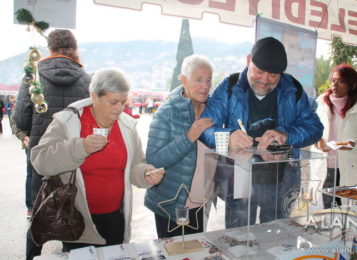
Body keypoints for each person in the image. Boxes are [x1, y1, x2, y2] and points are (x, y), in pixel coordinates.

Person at [31, 68, 165, 250]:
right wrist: (80, 147)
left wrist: (145, 173)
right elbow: (40, 160)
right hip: (76, 219)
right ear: (94, 96)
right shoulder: (70, 121)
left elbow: (135, 165)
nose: (120, 108)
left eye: (123, 102)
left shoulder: (127, 126)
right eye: (113, 102)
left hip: (115, 217)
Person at [200, 37, 323, 228]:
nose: (265, 80)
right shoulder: (230, 87)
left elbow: (315, 127)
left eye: (273, 75)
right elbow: (205, 127)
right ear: (249, 60)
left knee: (275, 239)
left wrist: (286, 134)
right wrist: (228, 135)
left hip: (281, 179)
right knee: (238, 237)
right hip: (239, 178)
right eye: (259, 71)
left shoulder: (292, 89)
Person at [12, 29, 91, 260]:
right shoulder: (87, 79)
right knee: (72, 211)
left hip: (42, 157)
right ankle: (69, 254)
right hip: (75, 157)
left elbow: (21, 119)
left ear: (50, 49)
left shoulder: (33, 77)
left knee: (39, 213)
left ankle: (32, 255)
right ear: (74, 49)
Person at [144, 54, 214, 238]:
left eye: (208, 80)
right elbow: (153, 160)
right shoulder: (166, 112)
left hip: (200, 203)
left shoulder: (215, 110)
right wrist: (189, 137)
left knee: (196, 253)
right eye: (198, 79)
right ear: (183, 80)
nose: (205, 86)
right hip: (170, 204)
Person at [314, 64, 357, 209]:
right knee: (329, 211)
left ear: (352, 85)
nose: (334, 84)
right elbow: (314, 131)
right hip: (327, 169)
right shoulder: (322, 105)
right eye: (333, 80)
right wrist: (317, 141)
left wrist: (354, 145)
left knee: (350, 211)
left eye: (341, 81)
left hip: (352, 168)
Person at [9, 114, 33, 218]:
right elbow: (14, 119)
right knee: (31, 174)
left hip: (51, 143)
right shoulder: (27, 97)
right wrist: (23, 137)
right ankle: (31, 207)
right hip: (31, 143)